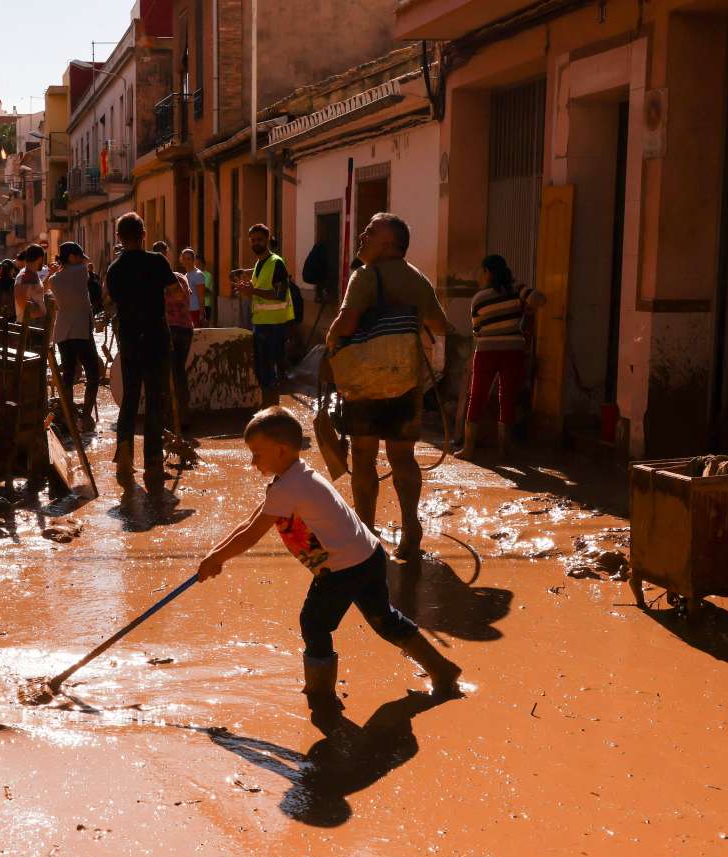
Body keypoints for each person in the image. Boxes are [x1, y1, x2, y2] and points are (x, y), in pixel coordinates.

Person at [197, 406, 463, 712]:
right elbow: (250, 522)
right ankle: (441, 670)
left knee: (313, 623)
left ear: (281, 450)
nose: (252, 461)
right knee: (384, 619)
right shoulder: (296, 476)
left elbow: (252, 534)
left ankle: (321, 695)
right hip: (368, 555)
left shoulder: (287, 488)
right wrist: (214, 555)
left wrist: (217, 558)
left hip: (342, 569)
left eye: (257, 453)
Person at [326, 213, 452, 563]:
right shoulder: (416, 279)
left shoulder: (364, 276)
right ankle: (411, 530)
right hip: (405, 380)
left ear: (389, 243)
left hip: (363, 383)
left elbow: (347, 322)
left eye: (370, 232)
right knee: (402, 457)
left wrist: (330, 341)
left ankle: (365, 533)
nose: (362, 236)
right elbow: (439, 324)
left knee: (364, 456)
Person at [106, 213, 176, 491]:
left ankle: (124, 458)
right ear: (144, 234)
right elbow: (175, 293)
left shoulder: (114, 269)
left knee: (131, 398)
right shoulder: (157, 262)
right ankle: (152, 462)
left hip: (130, 339)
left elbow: (110, 298)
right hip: (156, 338)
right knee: (156, 401)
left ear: (120, 238)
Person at [457, 254, 546, 459]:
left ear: (487, 272)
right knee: (507, 397)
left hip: (486, 351)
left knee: (477, 396)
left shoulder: (479, 298)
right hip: (513, 350)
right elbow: (539, 300)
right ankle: (505, 449)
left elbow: (476, 329)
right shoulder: (517, 290)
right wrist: (522, 293)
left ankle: (468, 449)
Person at [234, 224, 293, 407]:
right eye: (252, 240)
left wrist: (253, 290)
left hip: (275, 325)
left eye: (259, 240)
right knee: (262, 371)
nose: (255, 243)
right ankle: (269, 411)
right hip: (261, 323)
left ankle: (273, 413)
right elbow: (257, 293)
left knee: (269, 372)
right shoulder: (259, 263)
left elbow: (279, 294)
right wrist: (247, 292)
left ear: (267, 240)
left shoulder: (276, 263)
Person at [46, 241, 102, 431]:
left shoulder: (53, 279)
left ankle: (69, 416)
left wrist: (59, 265)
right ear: (72, 257)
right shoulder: (80, 271)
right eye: (78, 254)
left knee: (68, 374)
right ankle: (85, 417)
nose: (82, 257)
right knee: (93, 372)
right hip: (81, 329)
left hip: (62, 330)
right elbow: (86, 260)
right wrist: (77, 258)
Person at [155, 241, 194, 431]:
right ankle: (182, 417)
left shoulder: (158, 281)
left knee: (169, 374)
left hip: (170, 330)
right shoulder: (181, 277)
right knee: (179, 372)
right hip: (185, 329)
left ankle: (173, 418)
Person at [14, 244, 48, 322]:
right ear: (40, 258)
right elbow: (22, 304)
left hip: (33, 324)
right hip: (30, 327)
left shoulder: (32, 274)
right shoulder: (25, 276)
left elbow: (37, 293)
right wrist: (43, 315)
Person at [181, 248, 207, 328]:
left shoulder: (198, 275)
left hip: (195, 311)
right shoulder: (186, 274)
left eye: (188, 259)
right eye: (184, 259)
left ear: (193, 260)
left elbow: (201, 296)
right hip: (188, 311)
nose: (186, 261)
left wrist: (202, 314)